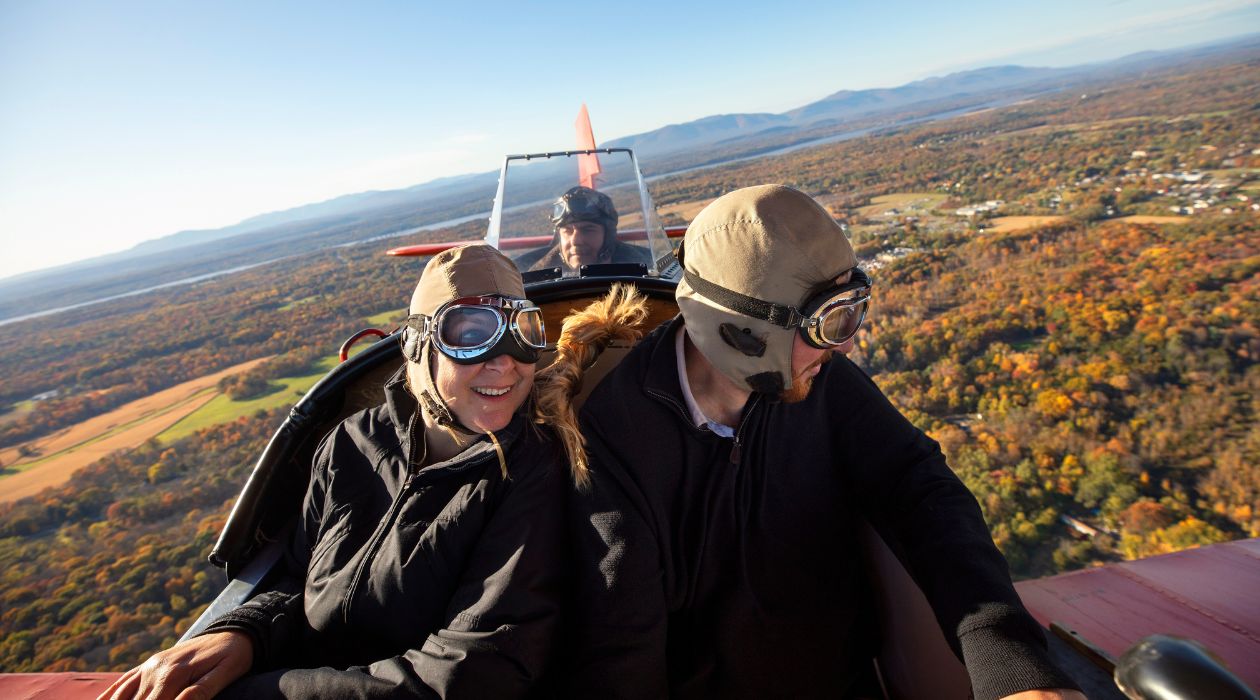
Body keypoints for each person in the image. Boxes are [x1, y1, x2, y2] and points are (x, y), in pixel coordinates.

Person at [562, 185, 1084, 699]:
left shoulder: (817, 380)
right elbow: (622, 641)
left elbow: (921, 489)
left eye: (852, 309)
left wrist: (1010, 660)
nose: (847, 342)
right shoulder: (619, 439)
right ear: (743, 335)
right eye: (831, 321)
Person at [102, 244, 569, 699]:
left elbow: (471, 675)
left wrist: (256, 692)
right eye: (469, 333)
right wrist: (244, 635)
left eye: (522, 330)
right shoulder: (354, 442)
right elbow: (297, 574)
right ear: (416, 344)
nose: (505, 360)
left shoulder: (533, 469)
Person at [516, 185, 654, 273]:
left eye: (588, 230)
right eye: (567, 230)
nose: (576, 240)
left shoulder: (645, 270)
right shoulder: (533, 278)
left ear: (608, 236)